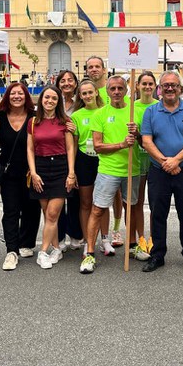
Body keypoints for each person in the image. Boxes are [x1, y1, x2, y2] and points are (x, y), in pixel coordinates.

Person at [141, 71, 183, 274]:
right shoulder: (150, 112)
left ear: (181, 89)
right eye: (165, 85)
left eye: (174, 85)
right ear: (160, 88)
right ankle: (157, 254)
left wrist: (176, 160)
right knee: (158, 214)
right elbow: (146, 141)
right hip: (159, 172)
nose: (170, 88)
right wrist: (165, 161)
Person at [79, 75, 142, 274]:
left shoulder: (135, 112)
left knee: (130, 209)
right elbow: (98, 146)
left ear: (126, 90)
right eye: (112, 88)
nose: (116, 92)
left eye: (120, 88)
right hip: (108, 171)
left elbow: (145, 141)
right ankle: (89, 253)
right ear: (106, 91)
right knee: (97, 210)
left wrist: (138, 133)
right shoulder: (100, 114)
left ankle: (132, 246)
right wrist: (121, 145)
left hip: (132, 169)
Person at [27, 85, 76, 269]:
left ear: (58, 102)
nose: (50, 101)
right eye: (47, 97)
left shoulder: (65, 121)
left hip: (60, 167)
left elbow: (70, 148)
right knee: (48, 214)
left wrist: (71, 173)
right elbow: (30, 149)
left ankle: (42, 252)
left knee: (53, 213)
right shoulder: (33, 122)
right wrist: (33, 172)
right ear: (41, 100)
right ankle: (56, 248)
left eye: (54, 98)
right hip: (40, 167)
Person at [0, 82, 42, 270]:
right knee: (11, 211)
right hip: (8, 171)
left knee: (31, 208)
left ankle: (26, 243)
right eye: (13, 93)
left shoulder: (34, 117)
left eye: (20, 93)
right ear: (8, 96)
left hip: (31, 170)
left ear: (26, 97)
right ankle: (11, 250)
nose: (17, 96)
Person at [71, 79, 105, 250]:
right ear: (80, 96)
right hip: (84, 160)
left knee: (102, 202)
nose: (88, 95)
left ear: (96, 92)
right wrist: (72, 170)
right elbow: (74, 145)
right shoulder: (77, 116)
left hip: (104, 159)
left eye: (90, 92)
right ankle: (87, 240)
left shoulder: (105, 111)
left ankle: (104, 238)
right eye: (84, 93)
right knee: (85, 202)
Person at [131, 71, 158, 259]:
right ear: (137, 86)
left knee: (156, 203)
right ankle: (140, 237)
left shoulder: (160, 106)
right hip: (137, 160)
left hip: (155, 160)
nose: (147, 87)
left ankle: (153, 237)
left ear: (155, 87)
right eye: (144, 84)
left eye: (150, 84)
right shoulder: (131, 107)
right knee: (138, 202)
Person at [55, 69, 82, 249]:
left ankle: (75, 233)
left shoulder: (80, 105)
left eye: (70, 80)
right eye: (63, 80)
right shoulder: (53, 101)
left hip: (76, 153)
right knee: (56, 198)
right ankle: (59, 236)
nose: (66, 83)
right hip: (56, 154)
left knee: (75, 197)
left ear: (75, 83)